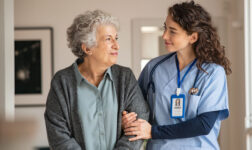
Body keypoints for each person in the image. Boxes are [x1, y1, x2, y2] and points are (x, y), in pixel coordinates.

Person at [122, 1, 231, 149]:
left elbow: (204, 124)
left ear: (192, 37)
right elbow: (135, 107)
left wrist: (153, 132)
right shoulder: (154, 68)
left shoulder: (212, 73)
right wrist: (128, 118)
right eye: (165, 28)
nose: (164, 35)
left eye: (172, 31)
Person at [44, 9, 149, 150]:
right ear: (87, 48)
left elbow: (139, 122)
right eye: (108, 39)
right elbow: (58, 136)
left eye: (116, 38)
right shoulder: (62, 82)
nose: (116, 46)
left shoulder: (125, 77)